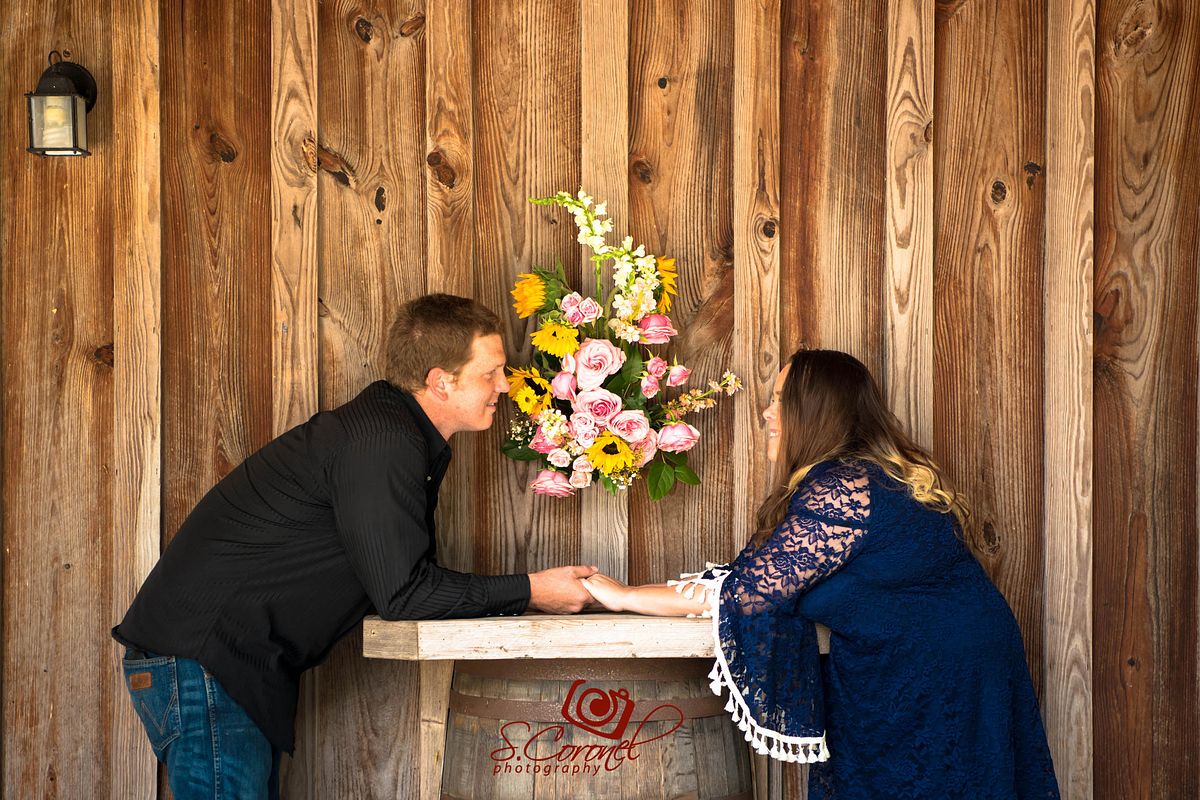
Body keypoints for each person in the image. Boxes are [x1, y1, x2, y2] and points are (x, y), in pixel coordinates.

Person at [113, 293, 598, 800]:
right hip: (203, 667)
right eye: (491, 373)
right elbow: (405, 594)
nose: (504, 385)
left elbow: (402, 581)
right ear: (441, 381)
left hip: (215, 668)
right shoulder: (383, 441)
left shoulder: (395, 433)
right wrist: (532, 591)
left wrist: (526, 592)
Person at [582, 348, 1061, 799]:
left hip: (939, 672)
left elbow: (749, 593)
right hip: (929, 662)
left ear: (815, 412)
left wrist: (624, 597)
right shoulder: (852, 479)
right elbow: (745, 578)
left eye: (779, 400)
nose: (767, 414)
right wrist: (620, 592)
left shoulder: (844, 486)